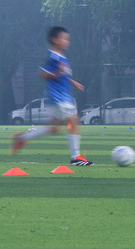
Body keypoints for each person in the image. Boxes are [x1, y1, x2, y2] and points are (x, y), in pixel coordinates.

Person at [11, 26, 94, 166]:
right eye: (63, 38)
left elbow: (62, 75)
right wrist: (56, 73)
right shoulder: (53, 57)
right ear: (54, 40)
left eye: (67, 39)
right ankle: (75, 158)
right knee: (74, 122)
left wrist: (73, 83)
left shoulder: (61, 58)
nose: (67, 41)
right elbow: (42, 73)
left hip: (60, 97)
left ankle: (23, 137)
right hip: (59, 98)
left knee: (54, 129)